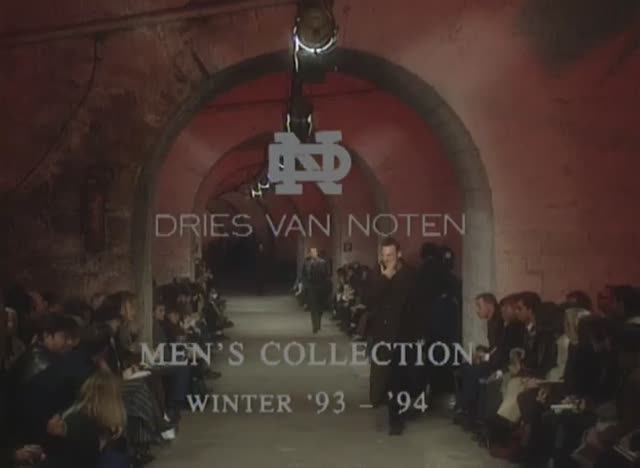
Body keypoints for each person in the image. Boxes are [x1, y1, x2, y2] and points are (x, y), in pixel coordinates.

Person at [368, 237, 422, 435]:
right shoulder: (377, 273)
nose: (387, 259)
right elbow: (368, 299)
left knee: (402, 377)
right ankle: (393, 418)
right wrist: (385, 278)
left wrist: (420, 334)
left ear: (399, 254)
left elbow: (419, 306)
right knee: (387, 377)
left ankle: (399, 414)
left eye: (390, 255)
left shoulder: (411, 274)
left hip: (405, 334)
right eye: (384, 255)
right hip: (383, 335)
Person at [302, 247, 330, 334]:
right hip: (311, 287)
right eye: (311, 252)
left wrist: (326, 286)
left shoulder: (323, 262)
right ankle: (315, 326)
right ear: (309, 254)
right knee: (313, 308)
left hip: (321, 287)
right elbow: (303, 275)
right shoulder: (306, 263)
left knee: (320, 307)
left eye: (314, 252)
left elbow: (326, 275)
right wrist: (306, 285)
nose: (313, 253)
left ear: (317, 253)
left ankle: (319, 323)